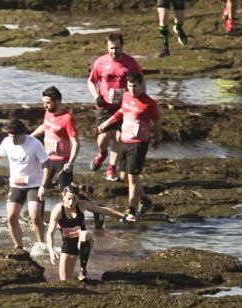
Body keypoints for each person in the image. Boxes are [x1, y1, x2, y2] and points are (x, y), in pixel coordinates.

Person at [98, 71, 162, 222]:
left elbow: (157, 120)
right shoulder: (126, 96)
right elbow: (122, 111)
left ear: (142, 85)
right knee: (123, 176)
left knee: (133, 178)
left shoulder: (149, 103)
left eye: (136, 86)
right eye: (130, 86)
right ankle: (145, 200)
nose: (133, 90)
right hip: (125, 142)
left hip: (138, 144)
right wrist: (108, 122)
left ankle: (132, 210)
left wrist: (158, 136)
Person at [0, 118, 49, 250]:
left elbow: (46, 164)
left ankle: (41, 245)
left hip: (34, 184)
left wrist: (44, 185)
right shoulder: (6, 142)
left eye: (15, 136)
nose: (12, 139)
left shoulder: (34, 144)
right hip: (16, 185)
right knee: (11, 217)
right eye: (10, 136)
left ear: (23, 134)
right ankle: (18, 247)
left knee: (35, 217)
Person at [87, 32, 142, 182]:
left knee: (119, 137)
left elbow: (140, 81)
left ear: (122, 46)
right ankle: (102, 153)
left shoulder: (130, 63)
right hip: (105, 105)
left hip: (123, 106)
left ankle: (111, 168)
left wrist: (138, 101)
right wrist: (96, 97)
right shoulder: (100, 62)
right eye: (111, 48)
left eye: (117, 48)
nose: (114, 51)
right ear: (107, 47)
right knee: (103, 137)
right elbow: (91, 81)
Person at [45, 185, 125, 282]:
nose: (71, 202)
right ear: (63, 196)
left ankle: (83, 270)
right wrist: (51, 250)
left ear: (78, 198)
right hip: (68, 245)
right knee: (65, 280)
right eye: (69, 199)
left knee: (84, 234)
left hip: (84, 241)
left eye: (74, 199)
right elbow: (50, 233)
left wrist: (123, 215)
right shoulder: (58, 210)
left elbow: (103, 210)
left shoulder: (82, 205)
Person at [31, 86, 79, 191]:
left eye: (48, 103)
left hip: (62, 161)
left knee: (66, 192)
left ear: (57, 101)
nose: (45, 106)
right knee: (39, 189)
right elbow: (45, 126)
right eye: (43, 103)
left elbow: (75, 144)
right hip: (46, 158)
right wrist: (30, 137)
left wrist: (71, 163)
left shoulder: (68, 118)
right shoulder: (48, 113)